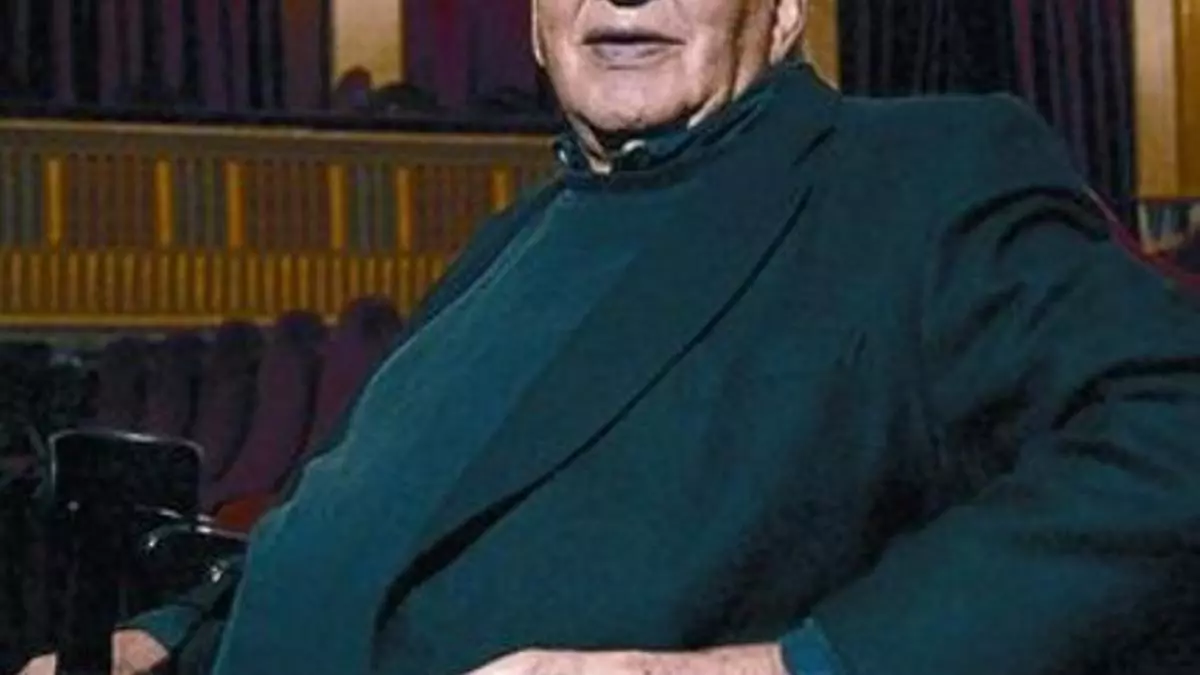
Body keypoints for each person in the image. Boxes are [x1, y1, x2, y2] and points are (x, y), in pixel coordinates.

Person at [20, 0, 1200, 673]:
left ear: (784, 12)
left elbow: (1173, 435)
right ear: (539, 28)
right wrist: (166, 642)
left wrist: (799, 668)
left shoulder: (916, 177)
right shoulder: (513, 236)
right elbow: (372, 517)